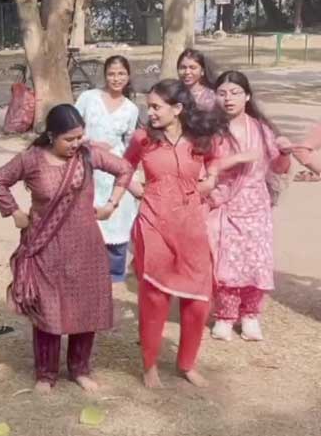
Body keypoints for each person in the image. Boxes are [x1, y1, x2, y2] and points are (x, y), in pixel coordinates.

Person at [0, 105, 134, 393]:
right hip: (46, 247)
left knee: (86, 309)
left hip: (86, 247)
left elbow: (125, 169)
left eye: (80, 137)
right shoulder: (31, 159)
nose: (76, 143)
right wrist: (14, 212)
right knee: (48, 311)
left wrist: (111, 205)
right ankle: (46, 374)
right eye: (69, 139)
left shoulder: (88, 155)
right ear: (52, 135)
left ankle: (80, 369)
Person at [123, 80, 229, 389]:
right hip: (153, 224)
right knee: (155, 297)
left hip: (191, 225)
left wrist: (211, 178)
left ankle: (186, 364)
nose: (150, 113)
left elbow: (214, 160)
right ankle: (150, 366)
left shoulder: (200, 139)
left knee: (198, 300)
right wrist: (137, 190)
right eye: (149, 106)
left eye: (156, 107)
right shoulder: (143, 139)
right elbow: (124, 167)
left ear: (178, 108)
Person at [206, 71, 292, 342]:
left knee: (256, 260)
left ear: (247, 96)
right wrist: (235, 159)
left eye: (235, 93)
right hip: (224, 203)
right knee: (225, 262)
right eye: (222, 93)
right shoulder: (210, 130)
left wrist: (285, 153)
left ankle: (250, 315)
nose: (228, 99)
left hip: (256, 206)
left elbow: (279, 167)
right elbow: (203, 167)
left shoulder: (261, 130)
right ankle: (225, 315)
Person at [74, 56, 141, 282]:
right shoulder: (88, 98)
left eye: (121, 74)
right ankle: (86, 270)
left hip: (115, 168)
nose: (116, 78)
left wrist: (130, 173)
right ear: (105, 75)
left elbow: (130, 144)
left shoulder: (131, 109)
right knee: (86, 214)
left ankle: (114, 275)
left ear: (128, 76)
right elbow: (72, 128)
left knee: (117, 217)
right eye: (112, 74)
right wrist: (90, 143)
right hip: (87, 163)